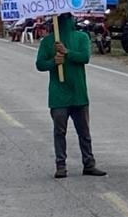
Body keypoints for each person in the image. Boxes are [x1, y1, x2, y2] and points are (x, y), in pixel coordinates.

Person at [35, 12, 106, 179]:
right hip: (58, 95)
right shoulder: (48, 41)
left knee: (84, 132)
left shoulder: (82, 38)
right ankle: (61, 165)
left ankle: (89, 163)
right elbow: (39, 64)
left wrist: (67, 52)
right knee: (60, 131)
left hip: (78, 93)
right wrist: (54, 62)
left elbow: (84, 57)